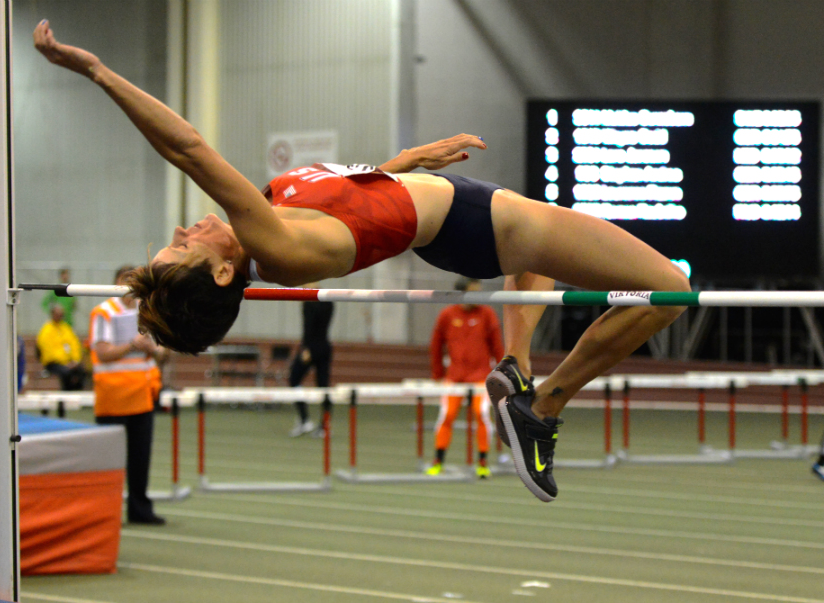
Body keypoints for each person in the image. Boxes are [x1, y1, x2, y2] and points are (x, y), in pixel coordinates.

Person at [34, 22, 691, 502]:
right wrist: (98, 72)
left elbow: (354, 206)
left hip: (457, 215)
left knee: (542, 265)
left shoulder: (273, 217)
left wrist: (403, 164)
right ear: (223, 271)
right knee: (671, 288)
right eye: (180, 244)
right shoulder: (270, 242)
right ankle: (543, 407)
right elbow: (188, 148)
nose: (184, 226)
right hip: (478, 222)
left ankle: (516, 373)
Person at [90, 266, 169, 525]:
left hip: (142, 396)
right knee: (109, 460)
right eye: (126, 280)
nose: (130, 286)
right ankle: (105, 512)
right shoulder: (104, 312)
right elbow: (102, 353)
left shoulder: (147, 311)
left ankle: (139, 509)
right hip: (113, 398)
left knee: (140, 459)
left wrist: (152, 349)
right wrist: (131, 346)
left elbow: (165, 355)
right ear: (114, 283)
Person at [427, 277, 503, 479]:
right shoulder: (447, 315)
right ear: (461, 293)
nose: (478, 296)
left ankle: (483, 462)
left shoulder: (487, 314)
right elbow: (435, 346)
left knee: (482, 414)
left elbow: (498, 347)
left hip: (480, 377)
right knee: (447, 416)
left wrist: (503, 373)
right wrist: (437, 373)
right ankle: (438, 461)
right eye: (473, 292)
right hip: (455, 377)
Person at [287, 283, 334, 437]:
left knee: (294, 378)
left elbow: (308, 327)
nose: (303, 285)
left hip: (311, 348)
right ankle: (324, 425)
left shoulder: (309, 301)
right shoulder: (329, 299)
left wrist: (306, 348)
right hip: (325, 347)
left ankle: (305, 419)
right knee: (323, 386)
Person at [36, 304, 87, 391]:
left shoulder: (66, 328)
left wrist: (75, 360)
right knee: (66, 373)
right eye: (57, 314)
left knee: (82, 372)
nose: (60, 316)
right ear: (52, 314)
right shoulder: (46, 330)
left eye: (61, 314)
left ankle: (76, 395)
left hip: (69, 362)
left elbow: (75, 344)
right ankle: (65, 398)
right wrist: (64, 362)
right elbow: (48, 351)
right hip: (53, 363)